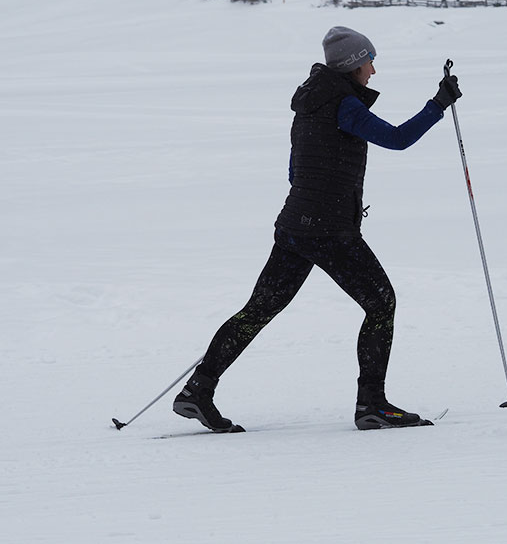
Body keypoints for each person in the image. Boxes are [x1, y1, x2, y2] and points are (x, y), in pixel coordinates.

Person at [173, 26, 462, 431]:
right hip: (328, 232)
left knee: (259, 310)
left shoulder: (309, 103)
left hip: (294, 226)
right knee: (381, 303)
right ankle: (372, 405)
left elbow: (294, 171)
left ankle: (198, 390)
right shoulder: (345, 105)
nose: (373, 70)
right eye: (368, 62)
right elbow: (397, 139)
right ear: (352, 65)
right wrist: (438, 104)